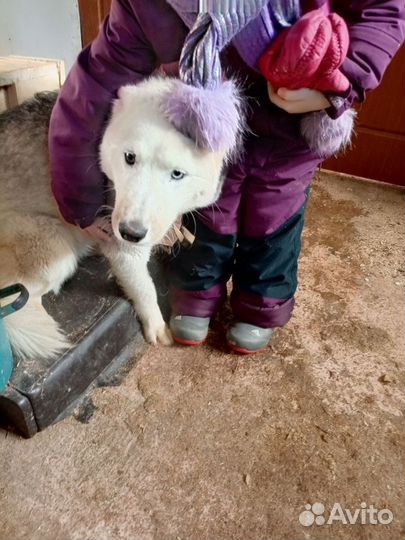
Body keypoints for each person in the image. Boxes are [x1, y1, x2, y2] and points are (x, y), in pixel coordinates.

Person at [49, 0, 405, 353]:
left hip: (294, 128)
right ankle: (195, 294)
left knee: (274, 219)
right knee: (210, 214)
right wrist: (78, 196)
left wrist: (345, 77)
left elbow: (382, 7)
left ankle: (261, 305)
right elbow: (99, 80)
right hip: (207, 129)